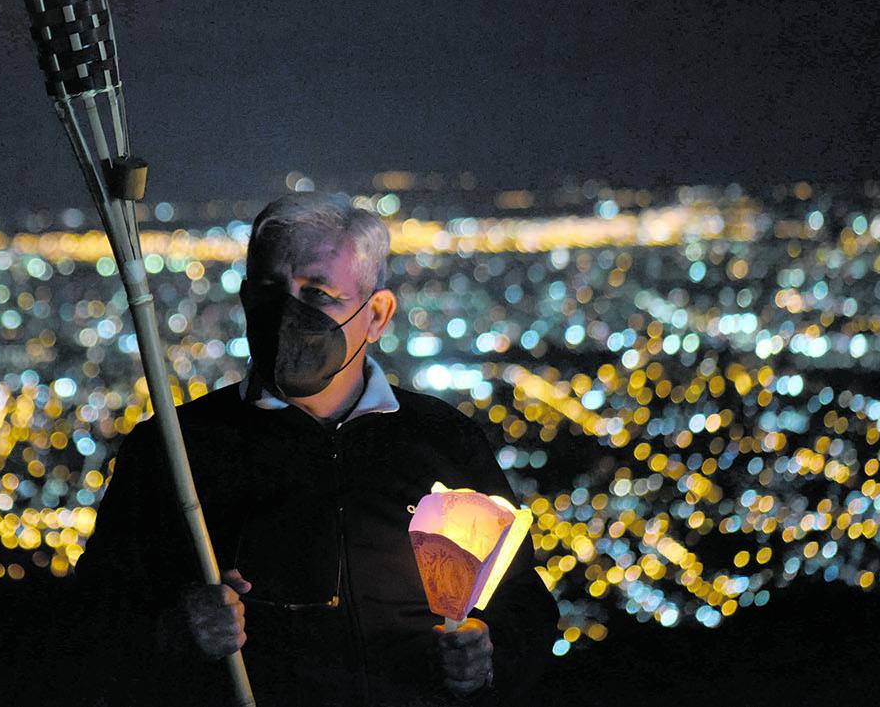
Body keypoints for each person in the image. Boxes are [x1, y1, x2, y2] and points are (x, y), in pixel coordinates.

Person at [71, 192, 557, 705]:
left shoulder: (442, 440)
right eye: (268, 289)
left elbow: (521, 603)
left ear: (376, 315)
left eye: (319, 295)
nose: (286, 315)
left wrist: (488, 660)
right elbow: (95, 622)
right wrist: (174, 630)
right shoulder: (175, 449)